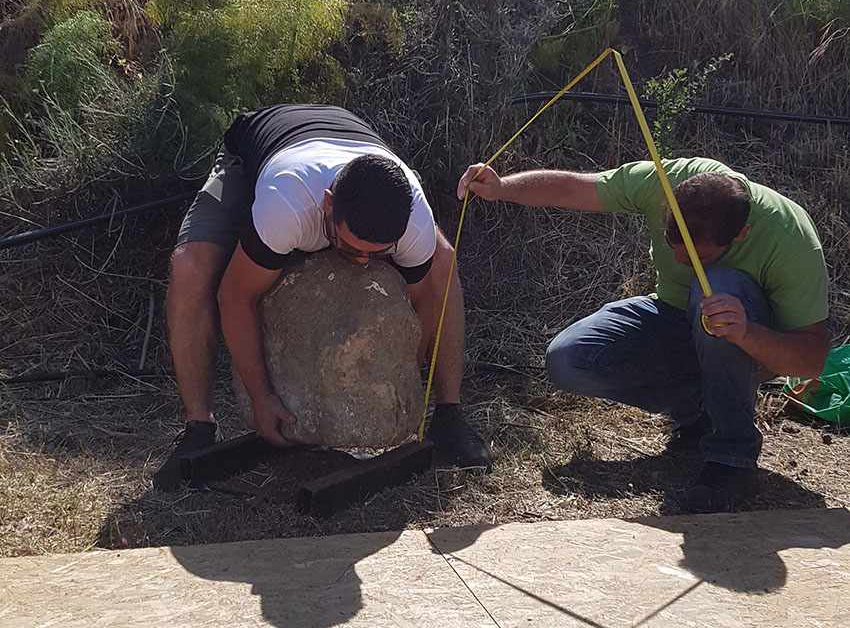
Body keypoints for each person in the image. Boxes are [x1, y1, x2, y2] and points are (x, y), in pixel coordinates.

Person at [457, 156, 829, 511]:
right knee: (569, 359)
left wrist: (746, 333)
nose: (682, 263)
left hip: (750, 343)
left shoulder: (789, 236)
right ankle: (698, 413)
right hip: (674, 317)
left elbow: (811, 359)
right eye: (674, 249)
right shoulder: (661, 182)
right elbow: (573, 189)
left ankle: (731, 458)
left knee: (716, 290)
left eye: (699, 258)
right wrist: (502, 187)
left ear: (742, 234)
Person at [165, 104, 492, 471]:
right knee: (190, 265)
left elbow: (423, 304)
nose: (362, 263)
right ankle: (198, 427)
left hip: (356, 139)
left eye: (378, 254)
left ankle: (449, 415)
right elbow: (236, 295)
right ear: (328, 205)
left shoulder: (414, 220)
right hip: (258, 149)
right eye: (351, 247)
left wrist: (404, 378)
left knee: (442, 262)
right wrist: (261, 397)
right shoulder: (286, 206)